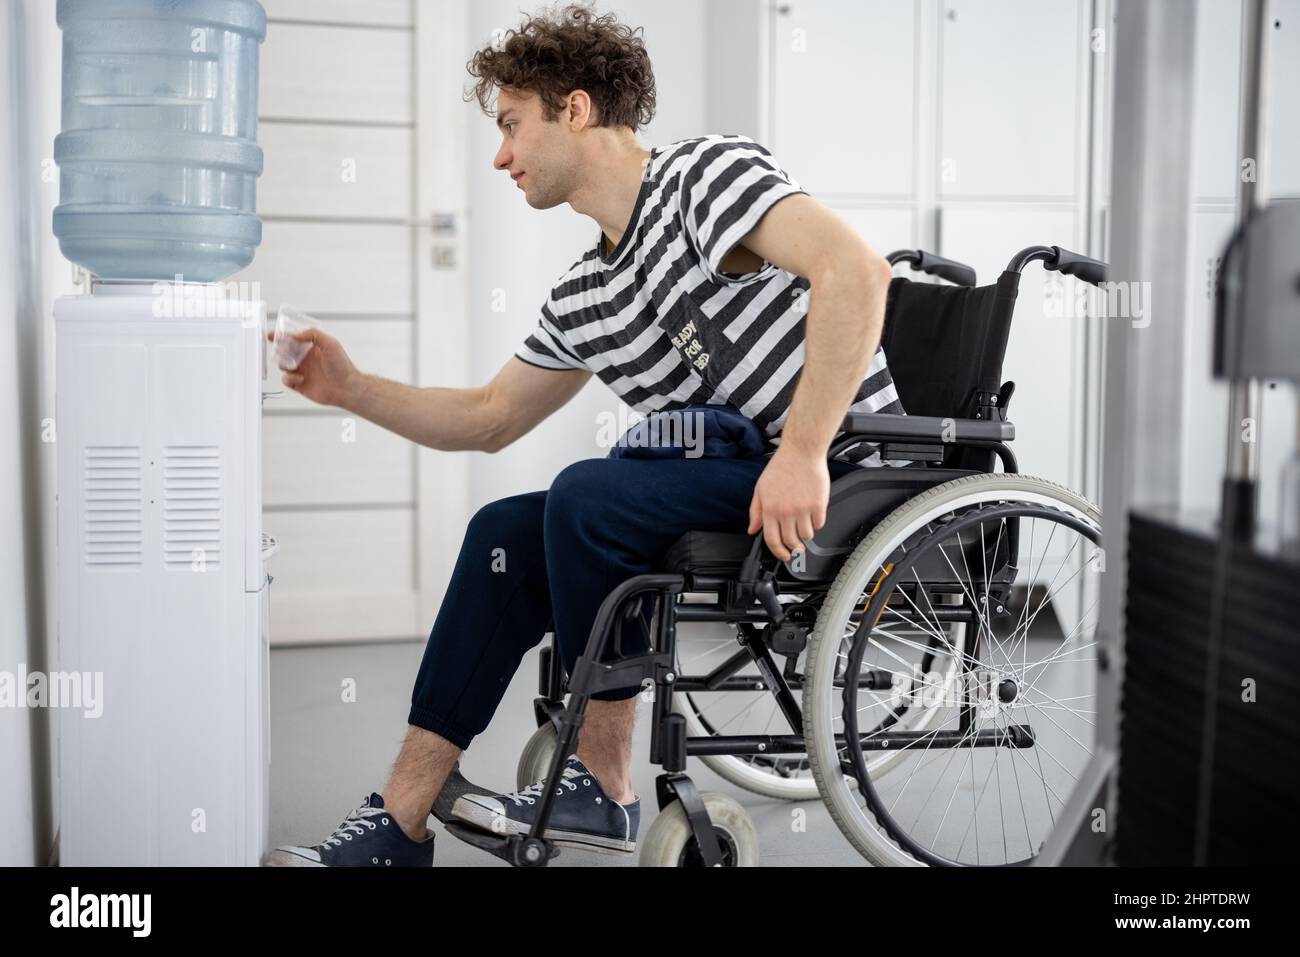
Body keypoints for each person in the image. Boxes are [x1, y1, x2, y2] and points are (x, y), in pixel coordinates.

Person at [267, 2, 902, 867]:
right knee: (505, 531)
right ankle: (400, 818)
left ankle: (605, 782)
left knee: (589, 497)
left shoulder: (702, 180)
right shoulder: (587, 292)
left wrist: (800, 452)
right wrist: (348, 388)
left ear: (574, 109)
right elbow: (490, 418)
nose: (500, 155)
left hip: (837, 466)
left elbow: (857, 270)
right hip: (736, 472)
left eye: (510, 124)